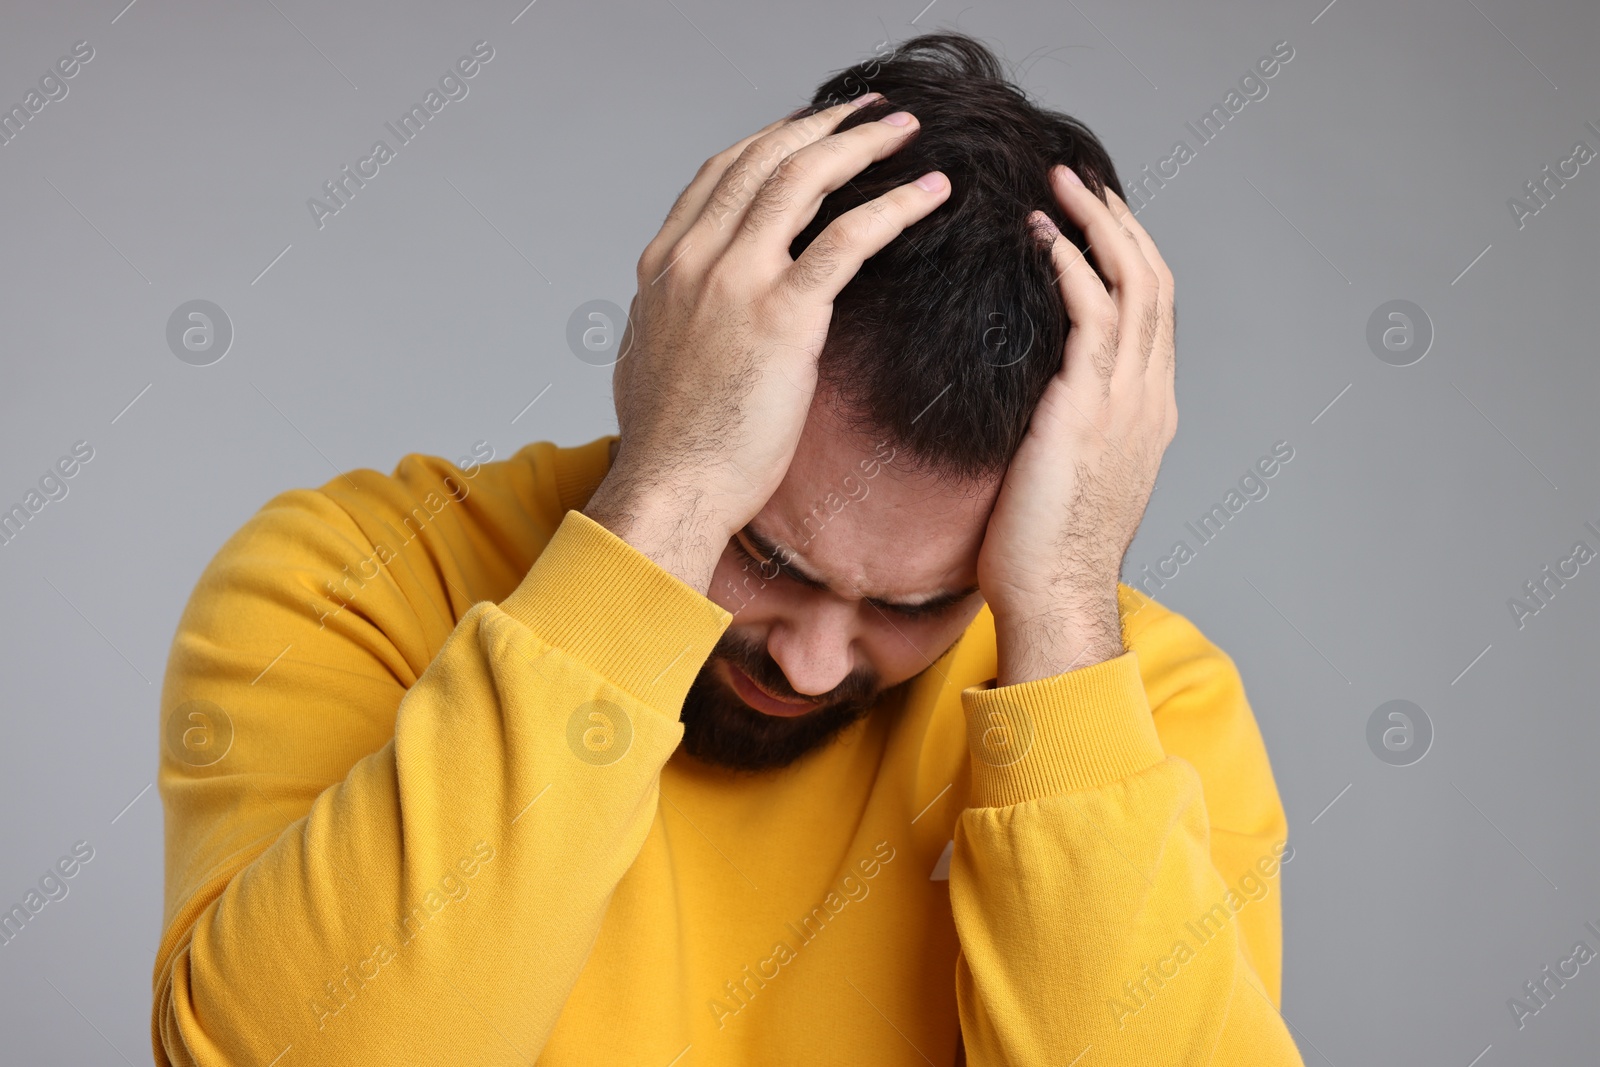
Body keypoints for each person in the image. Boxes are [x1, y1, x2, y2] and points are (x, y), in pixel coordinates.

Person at [152, 32, 1303, 1066]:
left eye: (918, 605)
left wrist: (1056, 612)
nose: (808, 664)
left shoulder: (1138, 705)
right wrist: (670, 499)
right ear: (684, 358)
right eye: (766, 554)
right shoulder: (355, 578)